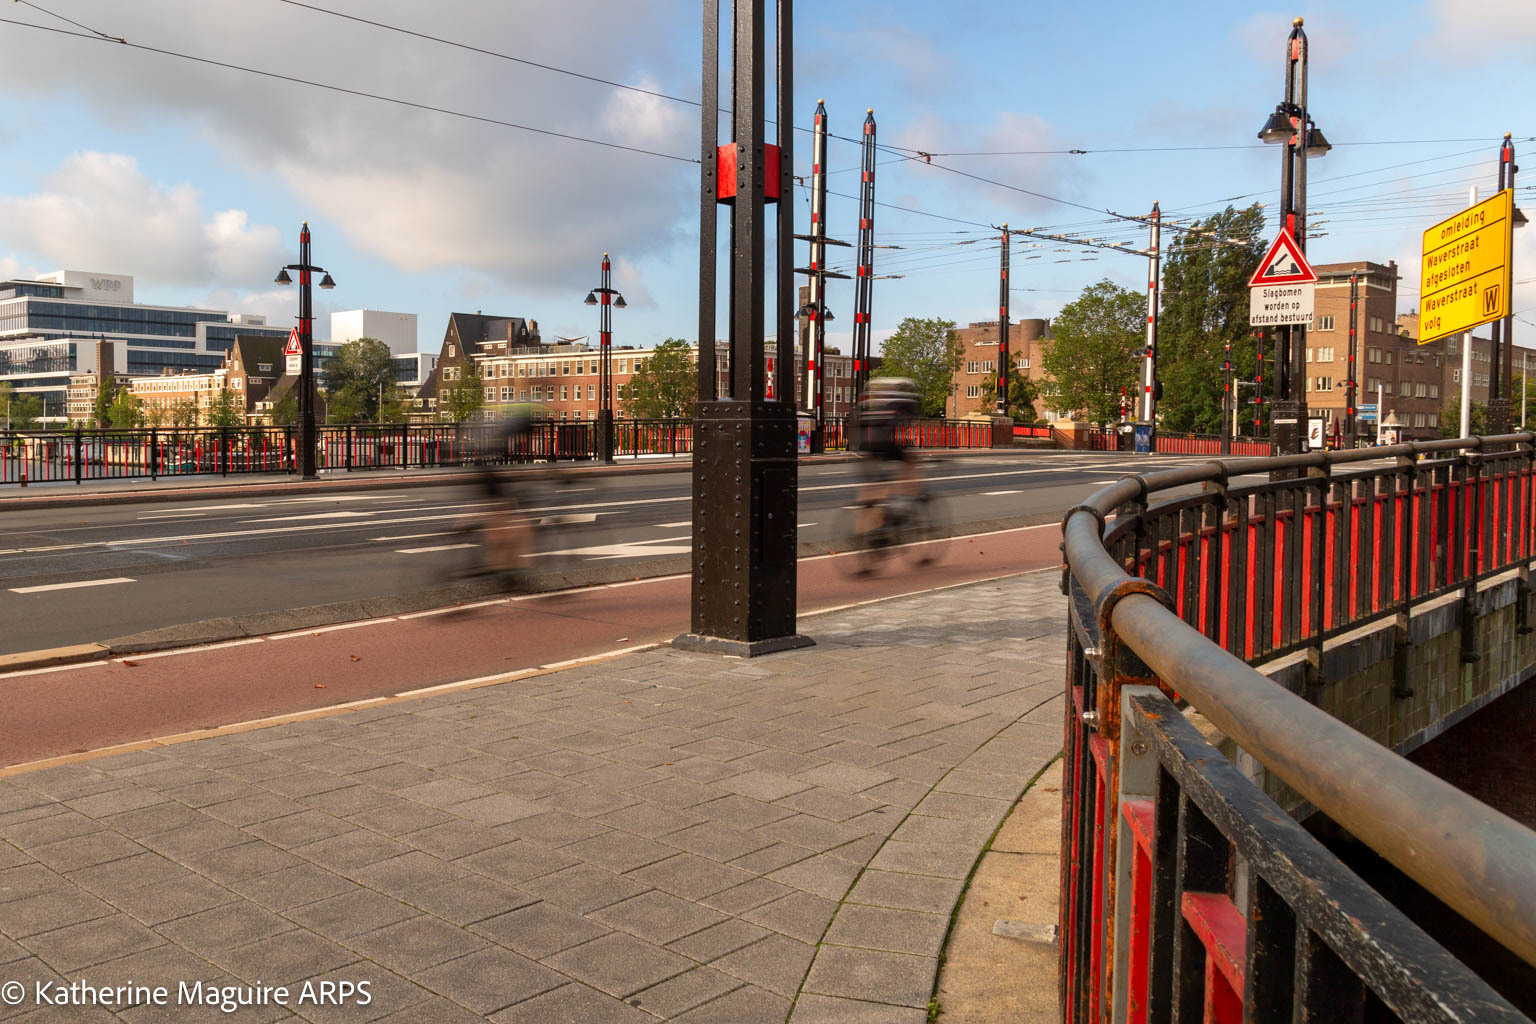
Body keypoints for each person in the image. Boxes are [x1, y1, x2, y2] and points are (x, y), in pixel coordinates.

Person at [849, 378, 923, 540]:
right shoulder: (903, 400)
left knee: (873, 486)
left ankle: (860, 529)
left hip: (865, 445)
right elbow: (906, 425)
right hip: (884, 443)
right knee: (909, 464)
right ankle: (904, 500)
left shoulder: (869, 400)